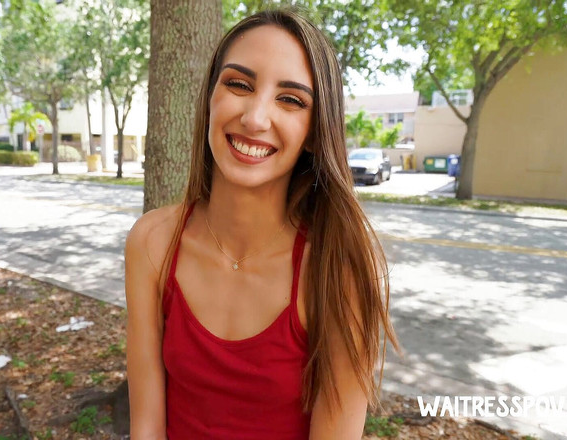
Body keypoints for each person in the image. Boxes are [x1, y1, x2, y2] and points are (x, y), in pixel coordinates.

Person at [125, 8, 398, 440]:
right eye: (238, 84)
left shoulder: (336, 267)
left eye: (290, 99)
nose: (255, 117)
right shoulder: (153, 242)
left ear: (314, 130)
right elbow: (146, 426)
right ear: (211, 97)